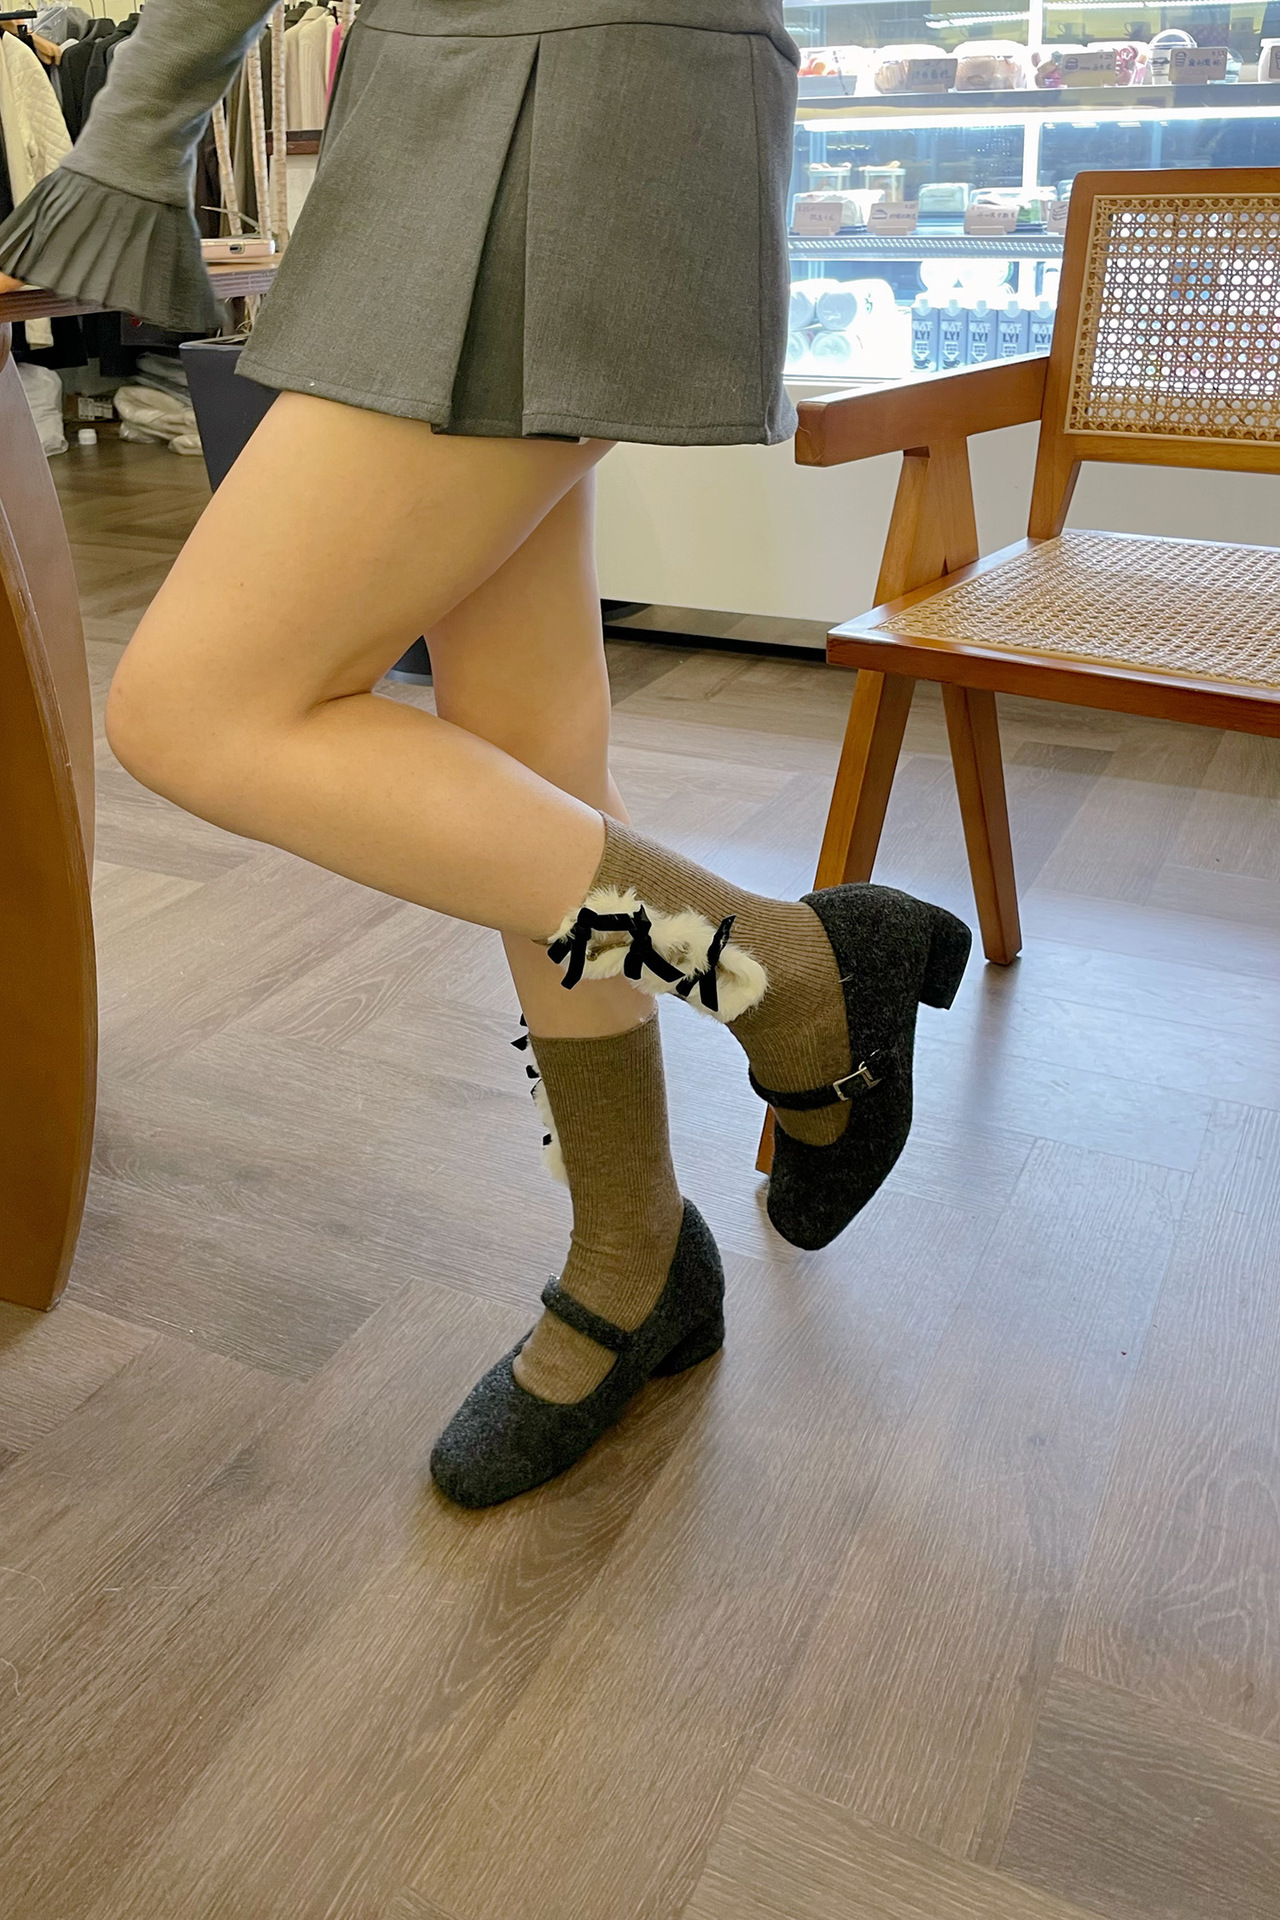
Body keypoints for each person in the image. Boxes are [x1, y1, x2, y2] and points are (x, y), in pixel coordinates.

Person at [0, 0, 971, 1508]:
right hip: (491, 96)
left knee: (191, 706)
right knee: (531, 771)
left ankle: (781, 974)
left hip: (549, 93)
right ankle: (635, 1249)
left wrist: (130, 139)